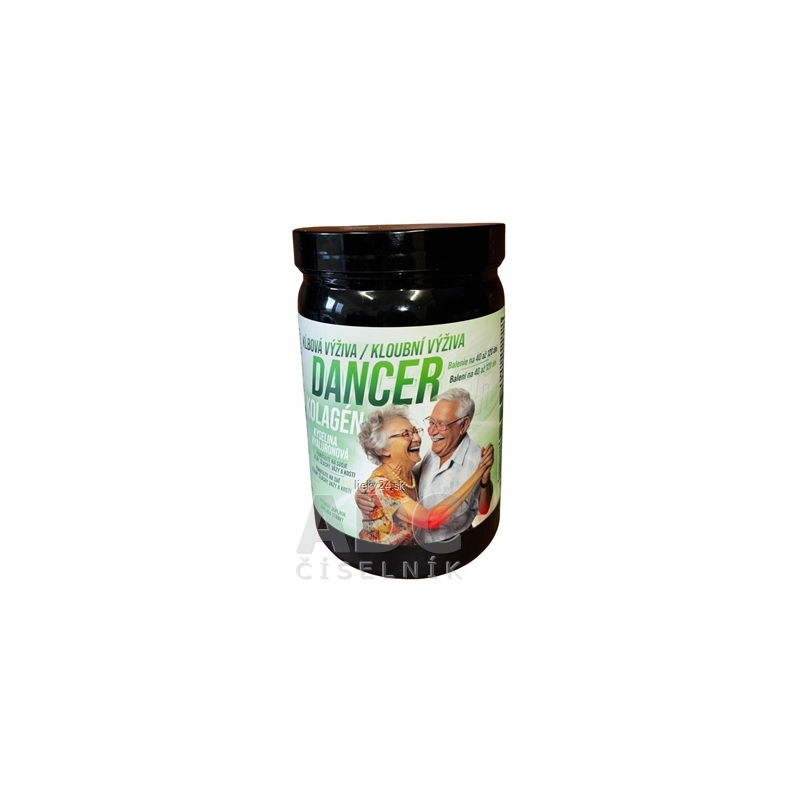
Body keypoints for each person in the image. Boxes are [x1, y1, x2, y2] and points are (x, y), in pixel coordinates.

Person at [355, 388, 494, 544]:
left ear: (463, 425)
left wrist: (483, 479)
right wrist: (478, 473)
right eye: (406, 434)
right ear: (383, 449)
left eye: (415, 431)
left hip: (450, 545)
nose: (417, 438)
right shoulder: (383, 485)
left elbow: (483, 508)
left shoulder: (409, 474)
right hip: (383, 554)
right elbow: (429, 520)